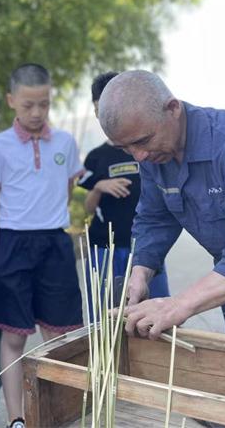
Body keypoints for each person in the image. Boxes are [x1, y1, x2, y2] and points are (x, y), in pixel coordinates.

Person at [97, 69, 225, 343]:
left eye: (142, 141)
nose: (139, 156)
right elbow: (154, 217)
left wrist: (179, 304)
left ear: (172, 108)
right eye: (125, 148)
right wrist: (139, 273)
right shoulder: (155, 156)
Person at [0, 64, 85, 428]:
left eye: (44, 104)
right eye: (28, 105)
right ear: (12, 102)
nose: (37, 113)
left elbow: (67, 189)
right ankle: (17, 419)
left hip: (55, 243)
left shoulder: (65, 143)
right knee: (13, 335)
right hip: (12, 244)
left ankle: (59, 415)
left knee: (60, 334)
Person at [79, 72, 169, 312]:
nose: (105, 116)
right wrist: (99, 187)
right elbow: (84, 210)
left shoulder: (151, 147)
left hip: (144, 249)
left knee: (153, 318)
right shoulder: (95, 157)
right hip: (105, 250)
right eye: (100, 110)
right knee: (106, 321)